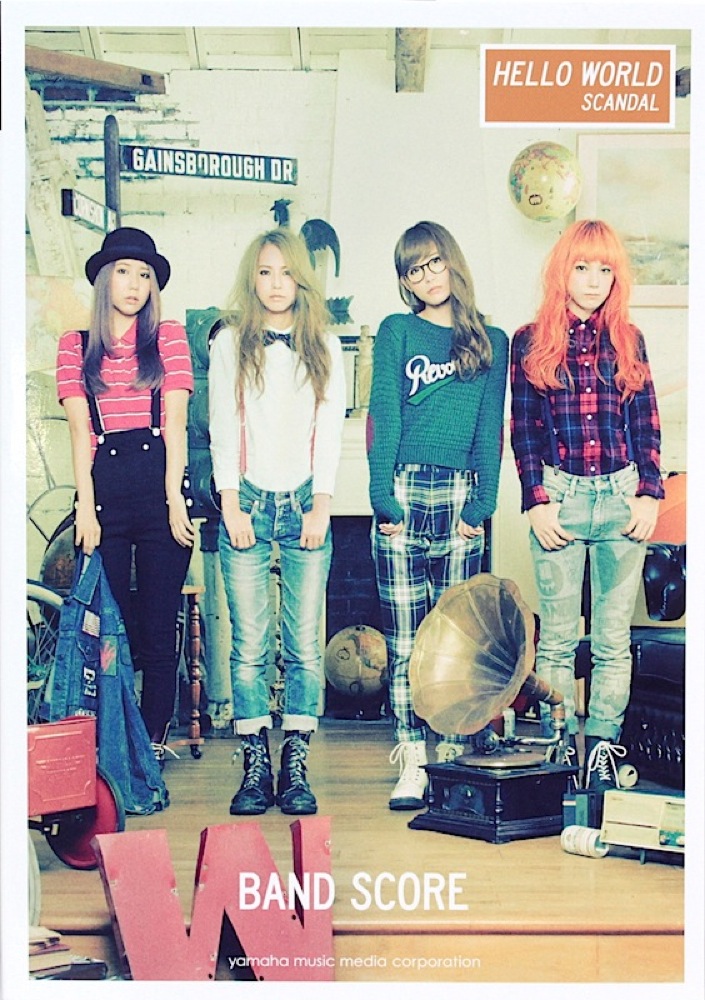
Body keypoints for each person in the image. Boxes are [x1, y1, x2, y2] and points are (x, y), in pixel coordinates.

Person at [510, 218, 663, 793]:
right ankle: (557, 754)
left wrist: (649, 493)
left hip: (622, 500)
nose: (594, 280)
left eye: (605, 269)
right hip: (561, 501)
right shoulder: (530, 341)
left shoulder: (629, 339)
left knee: (612, 641)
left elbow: (645, 423)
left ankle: (600, 752)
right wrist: (536, 501)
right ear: (562, 271)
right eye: (582, 267)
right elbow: (525, 428)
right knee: (555, 638)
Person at [367, 220, 508, 810]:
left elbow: (490, 427)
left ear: (452, 262)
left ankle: (449, 756)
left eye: (433, 263)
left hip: (459, 498)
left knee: (453, 643)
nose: (426, 277)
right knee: (405, 642)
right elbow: (383, 414)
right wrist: (382, 497)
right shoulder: (397, 331)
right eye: (413, 269)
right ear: (404, 280)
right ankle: (412, 758)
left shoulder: (491, 340)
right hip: (403, 492)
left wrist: (482, 505)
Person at [209, 228, 347, 816]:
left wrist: (322, 504)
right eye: (265, 272)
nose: (275, 284)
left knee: (304, 645)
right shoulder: (229, 342)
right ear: (252, 279)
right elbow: (222, 424)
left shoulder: (326, 345)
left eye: (286, 272)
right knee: (249, 645)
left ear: (301, 279)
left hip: (304, 502)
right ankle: (254, 766)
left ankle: (295, 765)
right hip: (247, 500)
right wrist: (230, 502)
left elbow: (329, 431)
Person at [56, 227, 195, 760]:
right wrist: (85, 509)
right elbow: (79, 433)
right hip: (104, 492)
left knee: (159, 629)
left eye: (144, 275)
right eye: (123, 272)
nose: (135, 284)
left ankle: (153, 743)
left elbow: (176, 423)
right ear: (103, 280)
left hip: (160, 486)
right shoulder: (75, 346)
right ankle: (113, 742)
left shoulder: (169, 338)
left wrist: (175, 498)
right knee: (108, 629)